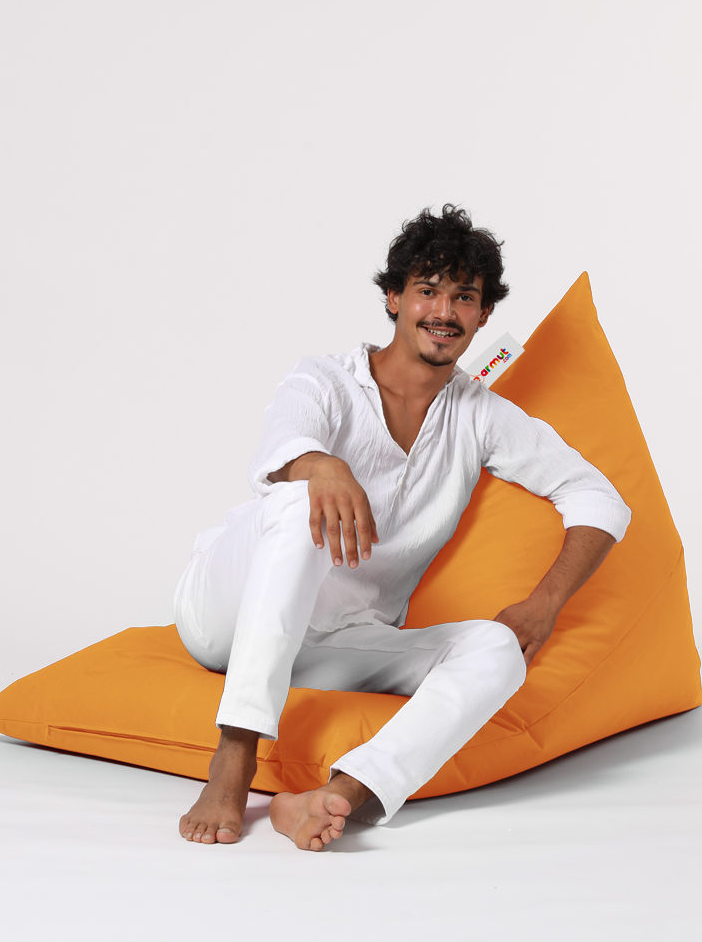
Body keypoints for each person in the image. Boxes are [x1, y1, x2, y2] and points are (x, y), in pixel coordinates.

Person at [174, 205, 631, 851]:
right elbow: (277, 455)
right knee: (298, 501)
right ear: (394, 298)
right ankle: (235, 756)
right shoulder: (325, 378)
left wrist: (545, 603)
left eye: (464, 296)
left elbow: (601, 498)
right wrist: (323, 465)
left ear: (484, 315)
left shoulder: (480, 415)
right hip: (227, 611)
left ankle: (340, 792)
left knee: (498, 649)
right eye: (427, 290)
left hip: (337, 640)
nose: (444, 311)